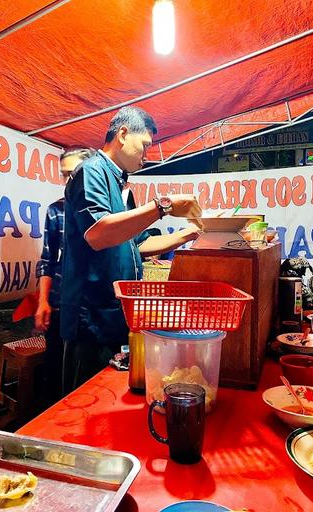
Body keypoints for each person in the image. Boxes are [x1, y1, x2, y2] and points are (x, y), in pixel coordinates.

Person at [61, 106, 202, 393]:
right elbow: (98, 234)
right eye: (145, 145)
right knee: (81, 402)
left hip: (115, 314)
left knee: (108, 393)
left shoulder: (121, 184)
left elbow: (139, 243)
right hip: (90, 317)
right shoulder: (90, 171)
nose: (147, 154)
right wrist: (162, 207)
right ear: (123, 134)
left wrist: (193, 231)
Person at [35, 147, 95, 404]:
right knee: (55, 370)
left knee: (87, 374)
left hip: (93, 306)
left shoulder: (100, 212)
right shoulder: (55, 211)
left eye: (75, 174)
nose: (69, 181)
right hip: (61, 303)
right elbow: (47, 260)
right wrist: (43, 302)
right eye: (64, 175)